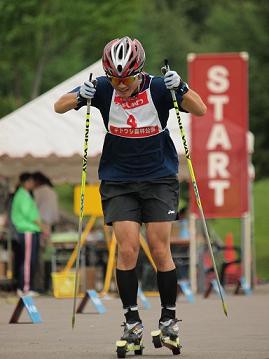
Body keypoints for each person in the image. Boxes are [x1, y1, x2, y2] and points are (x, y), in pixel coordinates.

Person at [54, 36, 206, 352]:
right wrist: (80, 95)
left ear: (139, 71)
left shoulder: (160, 89)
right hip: (119, 180)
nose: (120, 84)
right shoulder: (104, 88)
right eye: (114, 78)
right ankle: (132, 321)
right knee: (126, 250)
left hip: (159, 179)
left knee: (159, 248)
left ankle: (168, 320)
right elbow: (59, 106)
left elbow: (200, 109)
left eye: (126, 78)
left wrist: (182, 88)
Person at [11, 172, 48, 296]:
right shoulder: (23, 195)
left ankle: (26, 286)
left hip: (30, 231)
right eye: (31, 181)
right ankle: (25, 287)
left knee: (28, 260)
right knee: (27, 260)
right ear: (25, 182)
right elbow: (31, 216)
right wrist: (43, 227)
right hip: (27, 230)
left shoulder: (24, 195)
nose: (32, 184)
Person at [32, 171, 59, 292]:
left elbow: (32, 209)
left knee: (39, 256)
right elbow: (55, 214)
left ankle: (40, 285)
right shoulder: (52, 192)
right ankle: (48, 284)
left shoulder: (37, 192)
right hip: (49, 225)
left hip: (39, 225)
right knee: (48, 256)